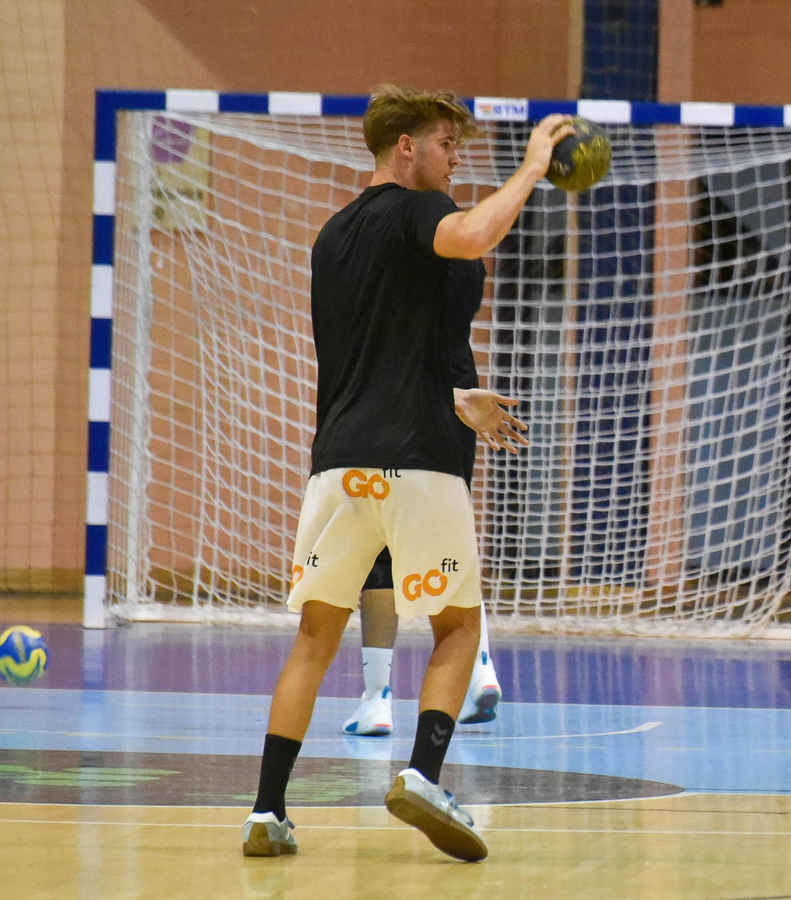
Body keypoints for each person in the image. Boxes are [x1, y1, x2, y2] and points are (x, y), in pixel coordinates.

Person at [241, 84, 570, 862]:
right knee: (458, 627)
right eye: (446, 144)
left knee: (314, 637)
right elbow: (476, 233)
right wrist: (531, 170)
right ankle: (422, 775)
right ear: (405, 149)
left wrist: (460, 398)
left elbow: (380, 357)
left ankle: (265, 810)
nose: (457, 158)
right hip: (421, 464)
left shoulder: (331, 237)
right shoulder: (419, 211)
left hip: (338, 467)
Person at [341, 255, 503, 738]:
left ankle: (377, 697)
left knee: (380, 544)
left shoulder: (388, 242)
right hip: (462, 395)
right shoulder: (466, 250)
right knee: (448, 537)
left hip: (397, 396)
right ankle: (480, 665)